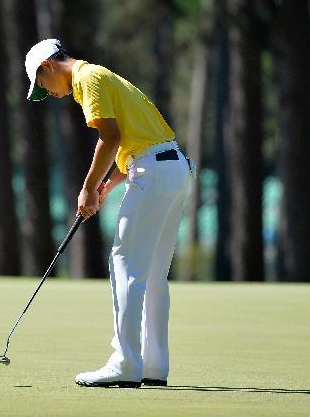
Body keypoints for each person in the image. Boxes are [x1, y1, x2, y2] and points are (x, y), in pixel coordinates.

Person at [24, 38, 195, 388]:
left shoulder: (87, 79)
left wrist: (88, 186)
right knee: (152, 276)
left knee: (125, 263)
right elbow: (136, 139)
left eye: (43, 86)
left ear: (48, 67)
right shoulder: (106, 77)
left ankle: (125, 363)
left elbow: (111, 136)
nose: (51, 94)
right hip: (173, 168)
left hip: (153, 171)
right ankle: (153, 365)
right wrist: (109, 185)